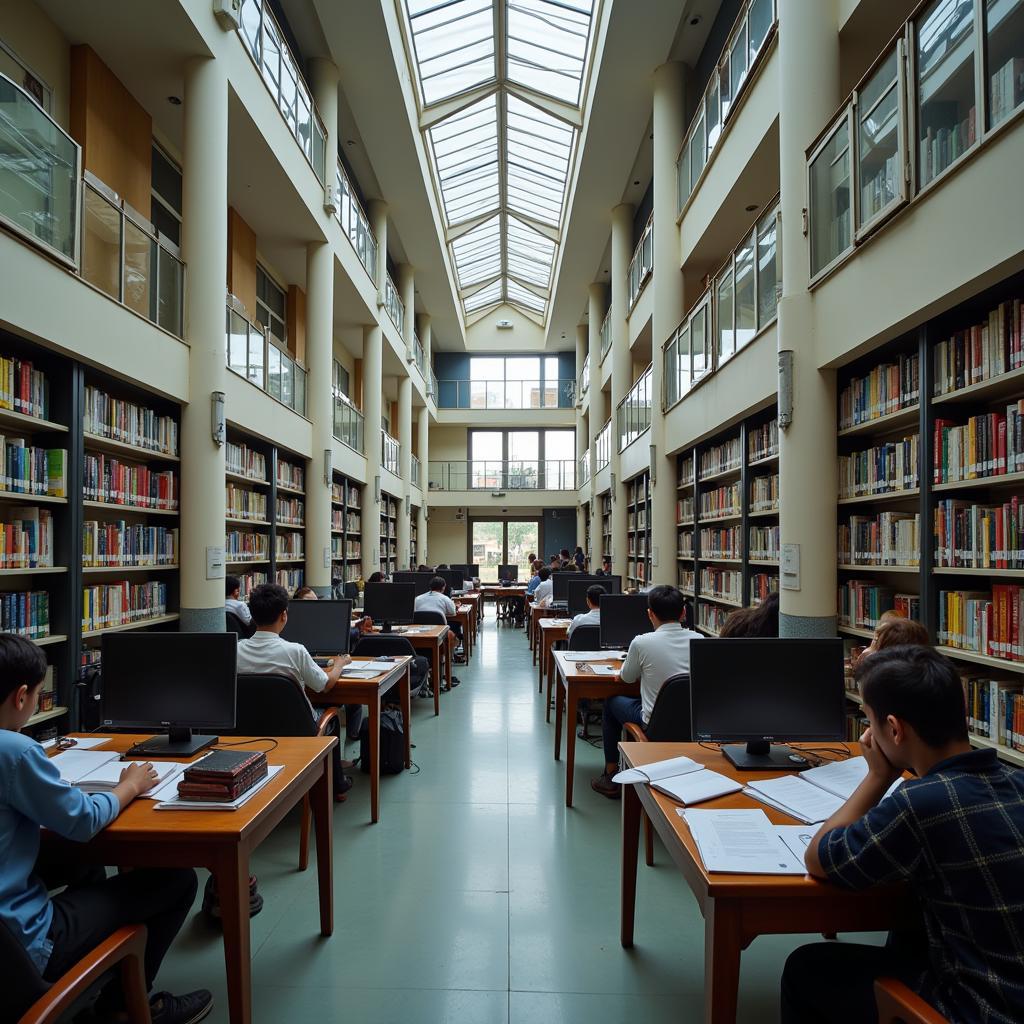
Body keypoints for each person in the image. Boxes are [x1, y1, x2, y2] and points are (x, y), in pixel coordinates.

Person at [781, 645, 1024, 1023]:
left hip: (982, 1009)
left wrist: (879, 776)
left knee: (806, 967)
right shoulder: (1017, 782)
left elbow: (821, 857)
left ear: (893, 730)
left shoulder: (921, 804)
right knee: (909, 932)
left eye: (869, 720)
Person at [0, 634, 213, 1024]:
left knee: (81, 864)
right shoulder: (13, 752)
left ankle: (99, 981)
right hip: (23, 943)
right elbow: (82, 821)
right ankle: (125, 1007)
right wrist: (130, 786)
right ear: (21, 697)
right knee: (178, 881)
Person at [235, 583, 355, 800]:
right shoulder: (295, 651)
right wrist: (339, 664)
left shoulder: (235, 650)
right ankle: (337, 785)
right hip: (296, 731)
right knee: (332, 715)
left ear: (252, 616)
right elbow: (325, 685)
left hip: (246, 732)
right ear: (284, 615)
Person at [591, 585, 702, 798]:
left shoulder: (641, 642)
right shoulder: (700, 641)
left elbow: (626, 678)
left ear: (650, 614)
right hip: (693, 725)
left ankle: (611, 774)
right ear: (683, 613)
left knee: (611, 702)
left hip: (654, 726)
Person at [416, 576, 466, 666]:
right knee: (452, 636)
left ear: (430, 586)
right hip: (439, 632)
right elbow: (453, 613)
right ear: (444, 587)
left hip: (419, 632)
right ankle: (447, 660)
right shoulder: (445, 599)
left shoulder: (418, 598)